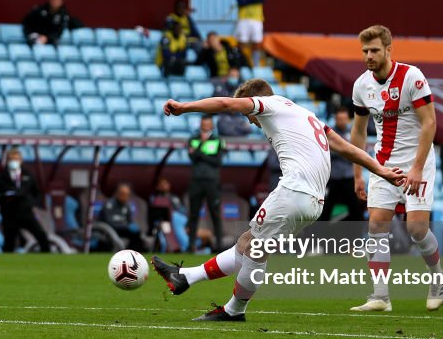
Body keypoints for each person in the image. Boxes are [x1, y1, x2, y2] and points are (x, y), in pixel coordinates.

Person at [152, 79, 406, 321]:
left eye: (247, 114)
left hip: (294, 192)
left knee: (255, 249)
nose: (250, 122)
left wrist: (185, 107)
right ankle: (185, 276)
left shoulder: (269, 105)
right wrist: (381, 170)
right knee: (247, 243)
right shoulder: (307, 115)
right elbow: (346, 148)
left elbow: (226, 104)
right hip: (315, 201)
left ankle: (234, 310)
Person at [349, 24, 443, 312]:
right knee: (376, 224)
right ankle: (380, 296)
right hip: (383, 164)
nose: (369, 55)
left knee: (416, 228)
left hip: (418, 161)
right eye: (365, 50)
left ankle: (437, 278)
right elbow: (358, 131)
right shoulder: (361, 85)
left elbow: (430, 123)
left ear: (389, 50)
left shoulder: (411, 77)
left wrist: (417, 168)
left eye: (375, 50)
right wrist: (359, 173)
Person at [0, 148, 51, 253]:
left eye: (16, 159)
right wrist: (5, 200)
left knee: (41, 236)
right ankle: (6, 265)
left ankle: (46, 258)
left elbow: (36, 192)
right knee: (9, 242)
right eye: (11, 159)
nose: (14, 161)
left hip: (26, 213)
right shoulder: (1, 177)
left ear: (21, 160)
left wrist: (30, 203)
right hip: (10, 214)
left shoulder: (27, 175)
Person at [319, 107, 366, 222]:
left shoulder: (353, 132)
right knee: (325, 210)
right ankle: (317, 234)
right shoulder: (329, 133)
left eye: (344, 119)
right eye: (339, 119)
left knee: (355, 209)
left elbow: (357, 152)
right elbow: (325, 152)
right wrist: (347, 152)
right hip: (334, 178)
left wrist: (341, 151)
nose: (342, 121)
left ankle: (358, 235)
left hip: (349, 177)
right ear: (335, 119)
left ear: (348, 119)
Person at [186, 116, 225, 251]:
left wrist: (200, 154)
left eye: (208, 124)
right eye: (203, 124)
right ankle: (191, 246)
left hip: (212, 182)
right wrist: (203, 148)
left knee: (215, 213)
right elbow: (192, 158)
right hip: (196, 181)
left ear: (212, 126)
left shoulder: (218, 140)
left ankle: (219, 245)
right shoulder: (193, 139)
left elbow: (217, 162)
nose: (206, 127)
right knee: (193, 214)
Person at [99, 183, 145, 252]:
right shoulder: (109, 204)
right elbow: (109, 222)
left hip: (123, 229)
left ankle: (132, 253)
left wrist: (132, 225)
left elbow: (130, 221)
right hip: (110, 229)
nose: (125, 197)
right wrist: (126, 226)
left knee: (136, 234)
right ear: (117, 193)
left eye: (127, 195)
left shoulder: (127, 206)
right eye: (123, 194)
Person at [235, 0, 266, 66]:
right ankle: (241, 63)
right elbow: (240, 1)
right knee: (242, 42)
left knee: (256, 43)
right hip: (244, 18)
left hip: (257, 18)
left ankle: (255, 64)